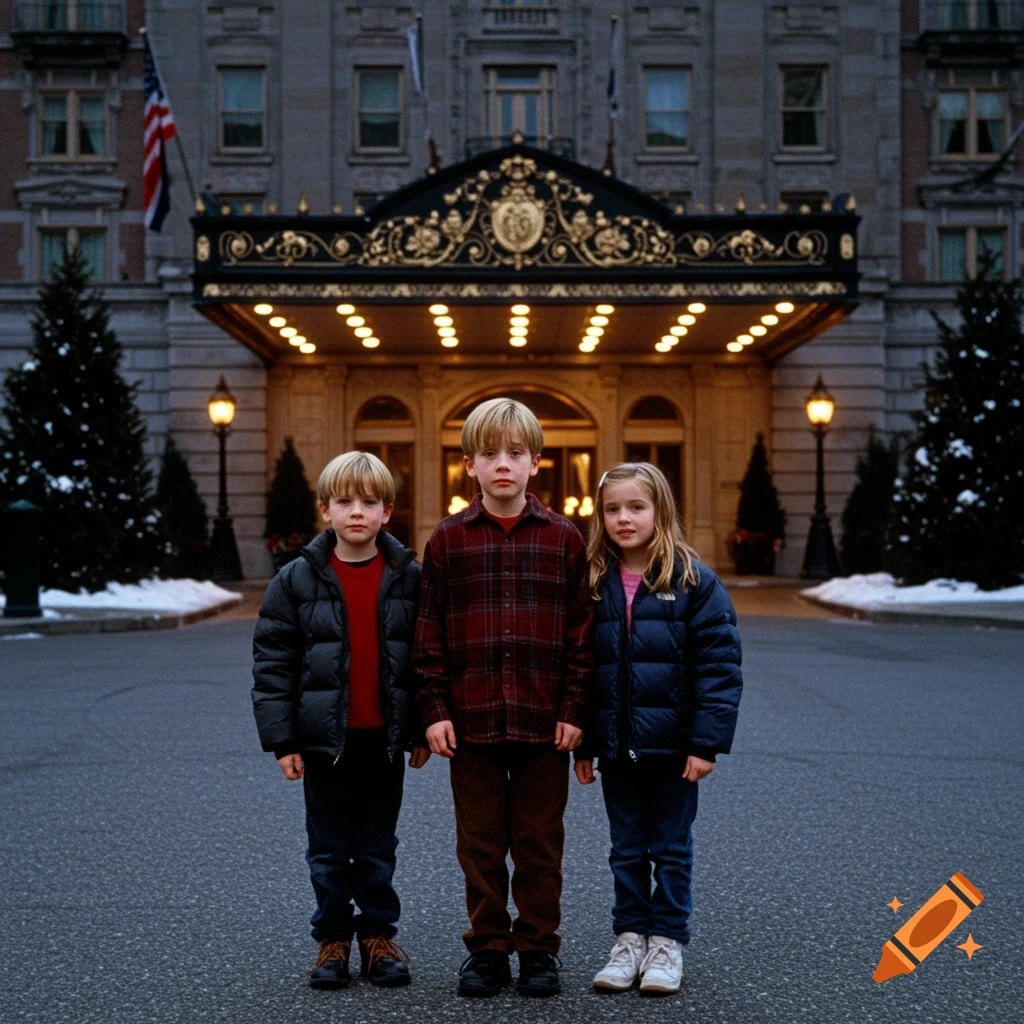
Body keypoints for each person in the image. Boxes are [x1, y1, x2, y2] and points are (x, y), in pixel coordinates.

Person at [414, 396, 593, 998]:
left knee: (540, 842)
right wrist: (434, 711)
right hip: (473, 720)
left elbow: (581, 636)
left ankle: (539, 948)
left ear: (536, 463)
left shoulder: (565, 540)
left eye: (515, 454)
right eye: (489, 454)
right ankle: (488, 947)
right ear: (468, 465)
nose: (503, 466)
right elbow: (428, 634)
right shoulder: (447, 541)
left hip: (546, 722)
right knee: (481, 842)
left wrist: (574, 710)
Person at [251, 450, 428, 991]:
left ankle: (377, 936)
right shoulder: (295, 580)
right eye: (344, 502)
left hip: (383, 740)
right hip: (324, 739)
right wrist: (282, 740)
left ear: (387, 512)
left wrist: (420, 728)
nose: (357, 512)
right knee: (328, 847)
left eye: (369, 502)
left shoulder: (408, 577)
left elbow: (424, 658)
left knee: (377, 844)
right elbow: (273, 661)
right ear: (324, 510)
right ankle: (333, 939)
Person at [575, 462, 742, 995]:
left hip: (674, 749)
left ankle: (667, 942)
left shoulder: (694, 582)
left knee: (670, 847)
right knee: (625, 848)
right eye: (612, 509)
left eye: (636, 507)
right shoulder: (594, 583)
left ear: (660, 511)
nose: (624, 518)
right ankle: (629, 939)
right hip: (617, 747)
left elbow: (718, 668)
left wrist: (706, 742)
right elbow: (580, 669)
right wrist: (582, 741)